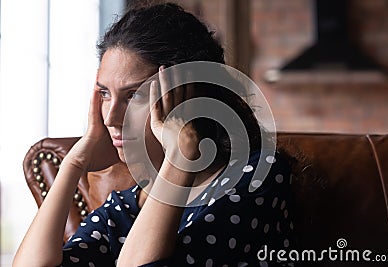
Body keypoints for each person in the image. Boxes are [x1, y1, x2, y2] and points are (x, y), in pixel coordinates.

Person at [13, 3, 295, 267]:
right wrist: (74, 163)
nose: (110, 117)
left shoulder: (256, 176)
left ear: (188, 95)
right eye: (104, 94)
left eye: (134, 95)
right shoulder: (125, 207)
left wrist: (182, 156)